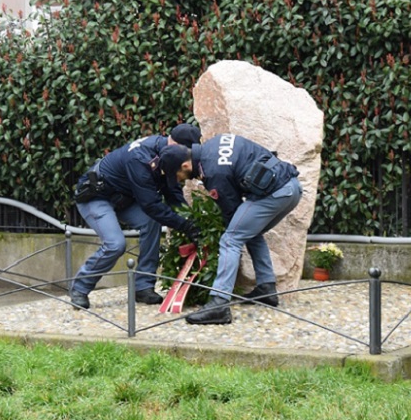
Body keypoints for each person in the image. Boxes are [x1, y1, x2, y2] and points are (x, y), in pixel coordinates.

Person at [156, 133, 301, 325]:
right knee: (249, 231)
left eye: (178, 177)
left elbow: (231, 211)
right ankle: (267, 289)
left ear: (185, 166)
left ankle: (219, 304)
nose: (181, 180)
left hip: (275, 194)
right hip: (292, 188)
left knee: (230, 239)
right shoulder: (214, 144)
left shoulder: (213, 173)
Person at [69, 124, 203, 310]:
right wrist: (187, 227)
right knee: (115, 244)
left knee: (151, 222)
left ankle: (143, 287)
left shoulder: (166, 154)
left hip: (124, 198)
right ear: (175, 144)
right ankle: (80, 288)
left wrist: (192, 221)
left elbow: (172, 193)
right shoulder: (140, 158)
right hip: (97, 196)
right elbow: (151, 205)